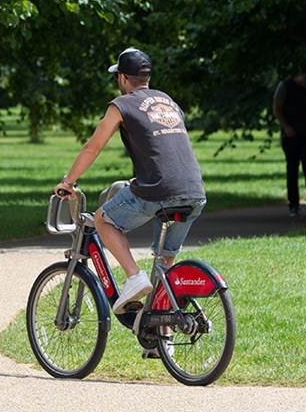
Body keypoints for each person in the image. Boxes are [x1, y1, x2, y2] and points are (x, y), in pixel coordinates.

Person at [55, 48, 207, 331]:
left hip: (157, 189)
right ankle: (160, 336)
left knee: (103, 219)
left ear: (123, 78)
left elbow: (93, 147)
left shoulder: (121, 104)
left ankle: (134, 276)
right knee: (164, 264)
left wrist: (69, 182)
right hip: (194, 191)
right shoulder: (169, 102)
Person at [273, 63, 306, 218]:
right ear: (299, 73)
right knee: (292, 169)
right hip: (290, 134)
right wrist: (286, 127)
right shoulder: (285, 86)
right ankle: (293, 205)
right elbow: (276, 108)